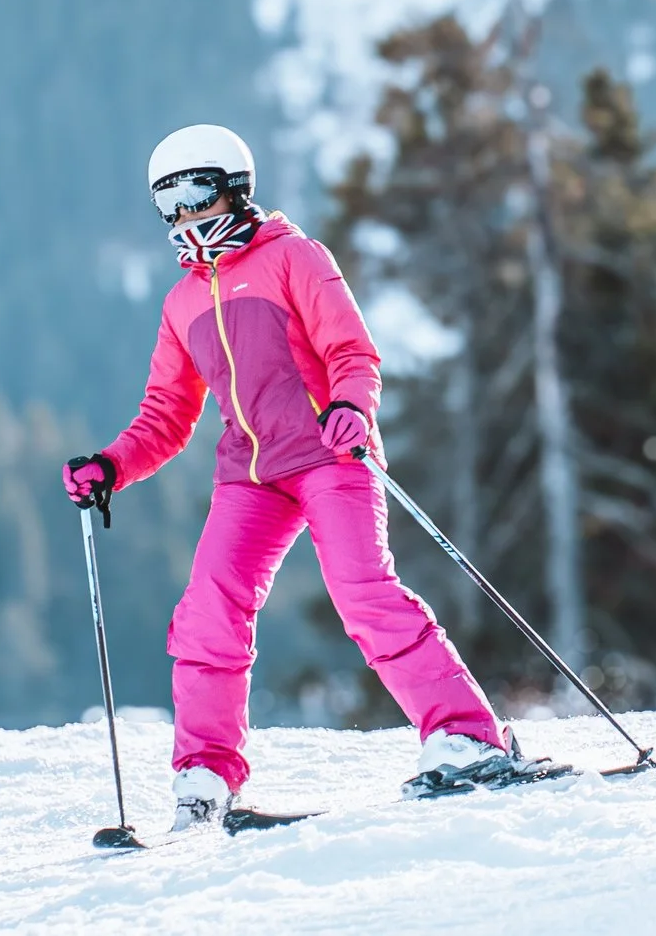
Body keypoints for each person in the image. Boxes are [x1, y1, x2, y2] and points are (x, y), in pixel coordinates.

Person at [63, 124, 550, 829]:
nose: (185, 214)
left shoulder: (294, 256)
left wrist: (351, 406)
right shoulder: (182, 302)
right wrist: (111, 465)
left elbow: (352, 351)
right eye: (168, 202)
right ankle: (204, 777)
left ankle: (466, 739)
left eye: (196, 193)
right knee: (208, 611)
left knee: (363, 592)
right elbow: (166, 414)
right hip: (250, 473)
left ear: (235, 188)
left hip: (329, 451)